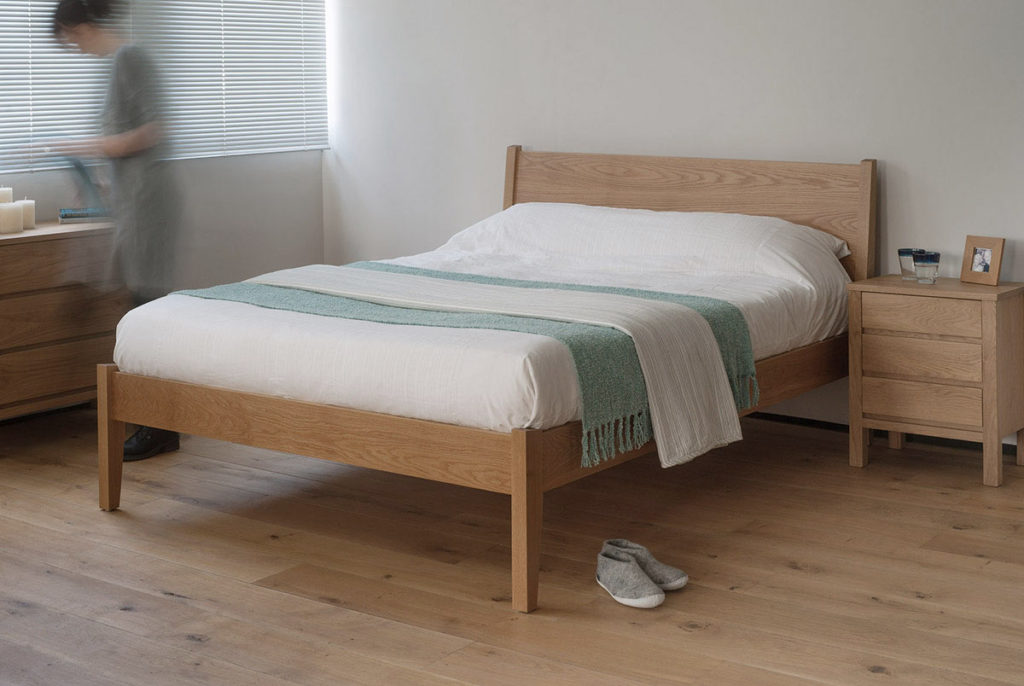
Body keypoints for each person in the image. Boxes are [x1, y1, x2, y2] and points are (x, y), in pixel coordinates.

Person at [53, 0, 181, 461]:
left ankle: (159, 427)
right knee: (139, 308)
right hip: (131, 200)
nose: (75, 48)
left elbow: (153, 129)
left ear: (81, 26)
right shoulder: (114, 66)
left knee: (148, 312)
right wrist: (97, 177)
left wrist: (83, 146)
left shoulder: (131, 58)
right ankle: (153, 420)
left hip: (149, 202)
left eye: (71, 39)